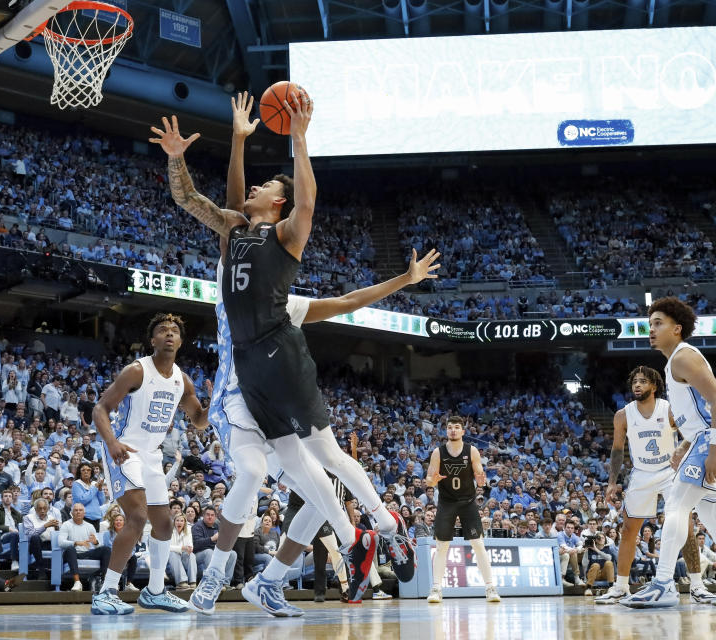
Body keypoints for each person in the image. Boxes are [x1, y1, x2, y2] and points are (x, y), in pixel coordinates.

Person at [173, 94, 432, 617]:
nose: (255, 190)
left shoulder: (284, 261)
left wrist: (404, 280)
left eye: (267, 188)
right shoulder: (234, 234)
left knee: (325, 472)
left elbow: (346, 298)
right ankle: (239, 576)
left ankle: (360, 538)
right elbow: (205, 199)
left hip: (273, 360)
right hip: (241, 382)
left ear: (277, 206)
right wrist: (202, 151)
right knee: (275, 470)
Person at [90, 313, 209, 615]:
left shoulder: (183, 381)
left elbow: (199, 421)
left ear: (180, 341)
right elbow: (100, 408)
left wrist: (217, 402)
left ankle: (155, 591)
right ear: (152, 339)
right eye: (162, 330)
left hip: (152, 454)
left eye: (174, 331)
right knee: (138, 517)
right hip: (124, 448)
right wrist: (112, 443)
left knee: (165, 524)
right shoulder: (136, 371)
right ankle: (106, 592)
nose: (169, 334)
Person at [623, 298, 716, 608]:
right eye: (650, 325)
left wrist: (711, 448)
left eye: (658, 323)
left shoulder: (683, 357)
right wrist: (685, 444)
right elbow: (700, 412)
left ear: (677, 329)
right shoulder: (675, 360)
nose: (652, 330)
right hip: (700, 440)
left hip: (709, 440)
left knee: (676, 503)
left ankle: (663, 584)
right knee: (710, 515)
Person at [597, 366, 712, 603]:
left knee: (686, 527)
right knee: (629, 530)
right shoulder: (622, 415)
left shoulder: (669, 410)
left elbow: (692, 434)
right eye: (634, 382)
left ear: (654, 386)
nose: (637, 386)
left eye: (642, 381)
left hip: (670, 472)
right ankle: (620, 587)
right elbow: (617, 450)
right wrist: (612, 483)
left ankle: (697, 586)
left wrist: (683, 453)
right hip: (641, 473)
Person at [425, 416, 500, 604]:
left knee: (478, 543)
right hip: (446, 501)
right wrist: (434, 480)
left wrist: (481, 480)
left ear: (463, 431)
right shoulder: (438, 452)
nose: (453, 430)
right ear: (446, 431)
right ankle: (436, 588)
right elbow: (428, 480)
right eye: (450, 427)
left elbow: (479, 475)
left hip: (467, 501)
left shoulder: (471, 450)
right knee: (442, 546)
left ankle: (490, 587)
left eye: (457, 427)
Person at [59, 502, 110, 592]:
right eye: (76, 510)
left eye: (80, 510)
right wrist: (76, 543)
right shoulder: (66, 524)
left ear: (84, 513)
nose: (78, 512)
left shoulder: (90, 526)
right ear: (72, 513)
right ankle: (77, 582)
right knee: (70, 549)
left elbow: (98, 545)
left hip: (86, 553)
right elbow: (61, 542)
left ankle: (103, 580)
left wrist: (95, 542)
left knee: (106, 549)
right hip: (72, 554)